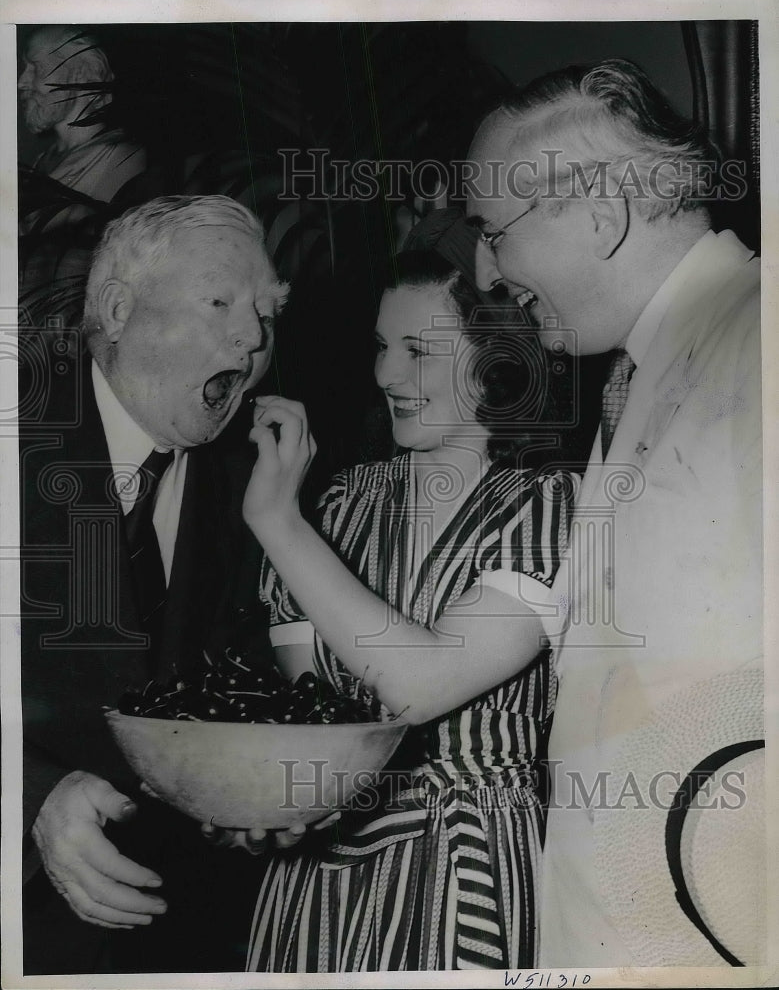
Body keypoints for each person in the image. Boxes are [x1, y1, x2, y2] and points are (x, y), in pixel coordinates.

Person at [465, 59, 763, 966]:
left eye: (492, 233)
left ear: (598, 218)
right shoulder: (644, 372)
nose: (484, 272)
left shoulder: (760, 336)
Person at [241, 211, 579, 971]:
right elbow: (317, 713)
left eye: (419, 351)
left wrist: (274, 519)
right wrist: (287, 802)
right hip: (316, 882)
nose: (387, 375)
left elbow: (417, 684)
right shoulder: (341, 503)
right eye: (382, 346)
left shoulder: (547, 505)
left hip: (465, 870)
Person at [20, 194, 290, 973]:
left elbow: (235, 677)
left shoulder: (249, 475)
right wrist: (31, 795)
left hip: (169, 932)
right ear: (116, 308)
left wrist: (261, 793)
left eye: (266, 312)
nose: (252, 336)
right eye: (220, 302)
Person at [18, 25, 147, 231]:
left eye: (36, 68)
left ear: (79, 74)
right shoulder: (43, 159)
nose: (21, 83)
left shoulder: (120, 157)